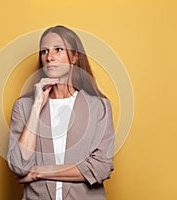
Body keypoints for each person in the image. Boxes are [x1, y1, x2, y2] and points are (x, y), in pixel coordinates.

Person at [7, 25, 115, 200]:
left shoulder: (99, 107)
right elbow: (20, 166)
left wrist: (37, 173)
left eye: (58, 49)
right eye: (44, 51)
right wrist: (36, 107)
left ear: (74, 57)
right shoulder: (24, 107)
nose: (49, 57)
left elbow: (101, 167)